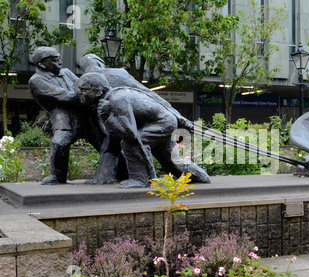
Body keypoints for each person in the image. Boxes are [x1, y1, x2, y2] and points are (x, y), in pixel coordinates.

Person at [74, 73, 210, 188]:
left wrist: (107, 117)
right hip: (163, 121)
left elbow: (130, 134)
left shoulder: (117, 99)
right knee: (170, 159)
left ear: (97, 90)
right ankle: (200, 176)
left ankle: (140, 179)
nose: (80, 93)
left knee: (130, 143)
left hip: (163, 122)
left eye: (84, 89)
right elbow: (113, 138)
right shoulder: (110, 100)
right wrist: (102, 178)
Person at [28, 47, 119, 185]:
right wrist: (91, 93)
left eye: (59, 58)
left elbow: (82, 85)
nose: (59, 62)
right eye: (54, 59)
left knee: (107, 145)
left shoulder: (66, 72)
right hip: (64, 119)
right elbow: (66, 96)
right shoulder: (36, 81)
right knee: (59, 143)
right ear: (41, 64)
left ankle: (122, 174)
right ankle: (57, 176)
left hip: (87, 117)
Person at [79, 54, 193, 131]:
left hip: (112, 128)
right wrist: (178, 116)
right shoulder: (116, 73)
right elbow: (148, 93)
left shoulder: (79, 85)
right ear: (100, 63)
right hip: (137, 124)